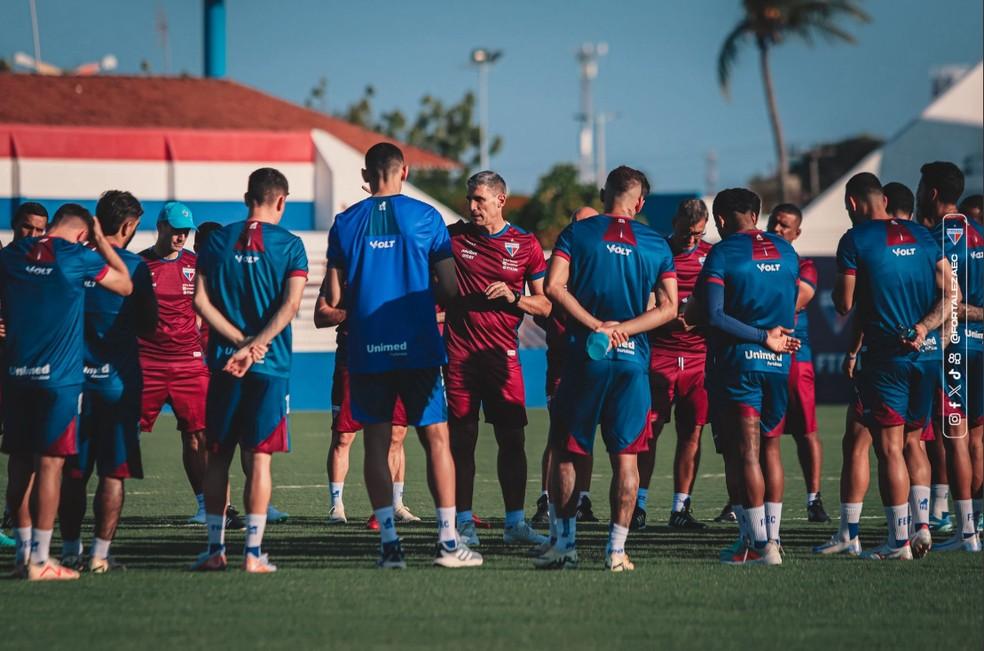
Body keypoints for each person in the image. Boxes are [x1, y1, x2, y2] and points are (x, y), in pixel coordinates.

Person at [323, 142, 481, 569]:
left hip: (367, 345)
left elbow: (334, 295)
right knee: (436, 439)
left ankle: (389, 546)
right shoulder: (428, 218)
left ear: (366, 174)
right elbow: (449, 290)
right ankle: (448, 543)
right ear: (405, 171)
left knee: (375, 442)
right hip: (418, 345)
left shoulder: (345, 222)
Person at [536, 165, 678, 572]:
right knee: (627, 460)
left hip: (585, 355)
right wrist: (625, 330)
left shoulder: (578, 232)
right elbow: (669, 308)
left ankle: (565, 546)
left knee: (566, 453)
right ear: (640, 203)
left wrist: (598, 327)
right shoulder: (655, 243)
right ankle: (616, 552)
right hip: (633, 362)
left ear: (603, 194)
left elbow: (552, 287)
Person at [1, 203, 133, 580]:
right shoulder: (77, 256)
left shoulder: (11, 255)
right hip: (57, 382)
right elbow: (125, 284)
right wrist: (103, 245)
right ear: (82, 233)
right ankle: (42, 561)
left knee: (19, 468)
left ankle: (22, 556)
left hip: (16, 376)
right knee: (50, 466)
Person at [190, 167, 308, 573]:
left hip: (224, 363)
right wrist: (256, 345)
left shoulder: (216, 240)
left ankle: (213, 550)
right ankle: (253, 554)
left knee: (218, 456)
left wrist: (238, 343)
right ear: (281, 201)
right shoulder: (290, 245)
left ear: (246, 197)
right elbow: (291, 307)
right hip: (268, 365)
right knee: (259, 459)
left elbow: (200, 304)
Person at [833, 172, 953, 560]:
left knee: (888, 448)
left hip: (888, 355)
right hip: (929, 351)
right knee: (914, 441)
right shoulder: (922, 234)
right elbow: (952, 293)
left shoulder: (855, 239)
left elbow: (843, 304)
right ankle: (921, 526)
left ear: (853, 204)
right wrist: (924, 327)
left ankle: (897, 541)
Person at [445, 170, 551, 548]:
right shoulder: (452, 237)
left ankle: (515, 523)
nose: (472, 206)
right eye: (470, 199)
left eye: (480, 200)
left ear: (500, 200)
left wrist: (514, 298)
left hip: (503, 356)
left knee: (512, 439)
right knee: (462, 439)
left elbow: (545, 304)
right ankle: (463, 522)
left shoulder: (525, 244)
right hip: (458, 355)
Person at [694, 188, 800, 566]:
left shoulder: (722, 252)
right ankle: (766, 539)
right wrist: (774, 337)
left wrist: (758, 337)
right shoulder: (787, 251)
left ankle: (760, 546)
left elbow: (716, 316)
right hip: (779, 366)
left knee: (745, 455)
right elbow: (790, 309)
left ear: (720, 219)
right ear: (756, 214)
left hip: (740, 364)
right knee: (770, 450)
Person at [58, 191, 157, 573]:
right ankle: (99, 556)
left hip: (71, 382)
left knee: (73, 473)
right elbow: (149, 326)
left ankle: (68, 551)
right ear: (129, 226)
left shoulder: (72, 262)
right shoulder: (133, 268)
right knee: (113, 472)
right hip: (117, 383)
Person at [138, 204, 237, 526]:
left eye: (186, 231)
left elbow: (214, 307)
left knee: (199, 437)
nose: (181, 236)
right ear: (161, 226)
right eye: (176, 229)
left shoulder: (197, 266)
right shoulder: (138, 265)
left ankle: (206, 506)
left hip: (188, 365)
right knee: (121, 433)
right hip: (146, 363)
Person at [314, 281, 421, 528]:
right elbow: (320, 316)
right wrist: (357, 312)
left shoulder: (399, 263)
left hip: (394, 357)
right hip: (353, 357)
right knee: (344, 436)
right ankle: (337, 505)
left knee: (396, 434)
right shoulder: (342, 269)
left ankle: (396, 504)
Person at [916, 161, 982, 552]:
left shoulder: (945, 234)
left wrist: (933, 333)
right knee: (974, 435)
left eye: (923, 186)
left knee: (951, 437)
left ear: (933, 193)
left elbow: (951, 296)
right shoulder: (980, 234)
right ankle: (967, 526)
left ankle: (966, 532)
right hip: (981, 345)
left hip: (953, 347)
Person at [634, 198, 712, 531]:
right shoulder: (656, 251)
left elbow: (721, 304)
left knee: (691, 434)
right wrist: (662, 318)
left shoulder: (711, 256)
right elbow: (643, 299)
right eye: (685, 232)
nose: (691, 240)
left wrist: (697, 320)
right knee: (648, 435)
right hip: (660, 356)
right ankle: (638, 505)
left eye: (697, 234)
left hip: (699, 359)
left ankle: (681, 508)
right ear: (675, 222)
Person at [531, 206, 599, 529]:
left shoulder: (603, 264)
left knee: (586, 435)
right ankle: (546, 499)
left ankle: (582, 499)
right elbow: (540, 309)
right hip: (561, 363)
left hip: (595, 363)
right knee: (559, 436)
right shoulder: (556, 266)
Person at [766, 203, 829, 523]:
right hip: (761, 357)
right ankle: (751, 499)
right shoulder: (755, 261)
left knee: (806, 431)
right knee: (766, 435)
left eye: (785, 226)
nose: (777, 229)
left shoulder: (805, 265)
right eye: (774, 223)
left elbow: (796, 300)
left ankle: (814, 499)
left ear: (797, 232)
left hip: (794, 359)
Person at [0, 202, 51, 547]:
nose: (32, 236)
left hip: (27, 371)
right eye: (26, 228)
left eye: (39, 230)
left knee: (26, 450)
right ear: (14, 227)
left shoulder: (47, 267)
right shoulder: (3, 261)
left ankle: (16, 520)